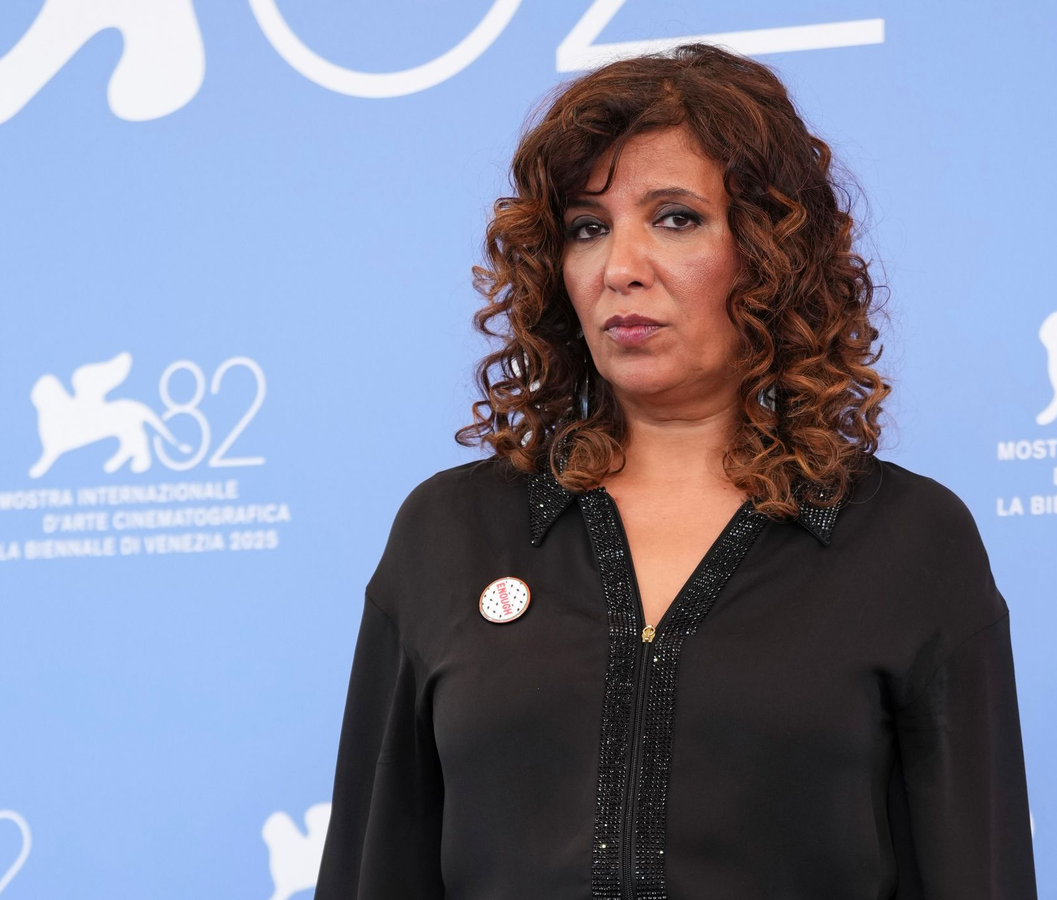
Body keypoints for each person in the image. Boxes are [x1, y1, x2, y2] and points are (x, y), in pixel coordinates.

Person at [314, 43, 1038, 899]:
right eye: (588, 228)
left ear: (769, 254)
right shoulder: (449, 534)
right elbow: (373, 870)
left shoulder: (910, 542)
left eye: (675, 218)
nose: (621, 268)